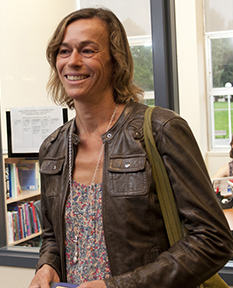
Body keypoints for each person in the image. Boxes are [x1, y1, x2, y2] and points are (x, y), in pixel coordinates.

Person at [28, 7, 233, 288]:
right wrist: (47, 266)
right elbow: (52, 237)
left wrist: (120, 286)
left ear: (116, 60)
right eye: (64, 51)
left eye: (87, 50)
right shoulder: (53, 148)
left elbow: (214, 241)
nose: (72, 61)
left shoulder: (161, 129)